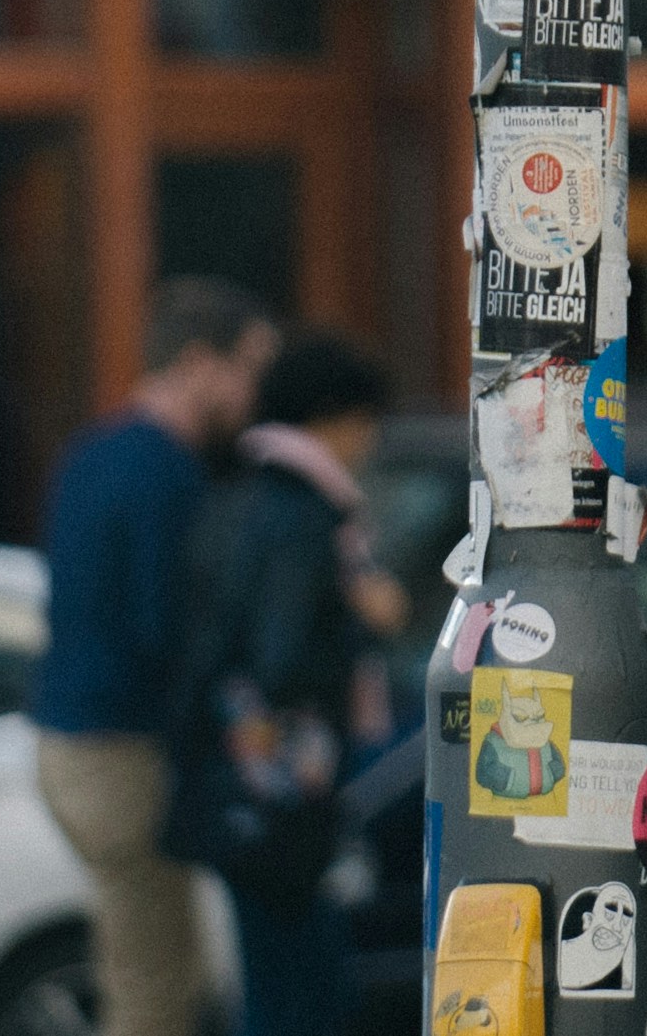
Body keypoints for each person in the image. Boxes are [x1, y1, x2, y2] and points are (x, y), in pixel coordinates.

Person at [35, 276, 277, 1036]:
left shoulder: (91, 452)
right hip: (124, 747)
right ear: (200, 362)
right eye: (247, 368)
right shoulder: (167, 472)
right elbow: (165, 627)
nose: (253, 394)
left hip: (69, 738)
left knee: (150, 964)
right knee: (155, 983)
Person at [173, 331, 407, 1036]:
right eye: (365, 422)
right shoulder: (301, 510)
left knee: (282, 975)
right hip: (280, 786)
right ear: (335, 416)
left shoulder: (238, 489)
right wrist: (363, 612)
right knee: (300, 986)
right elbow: (282, 658)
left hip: (239, 783)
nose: (369, 442)